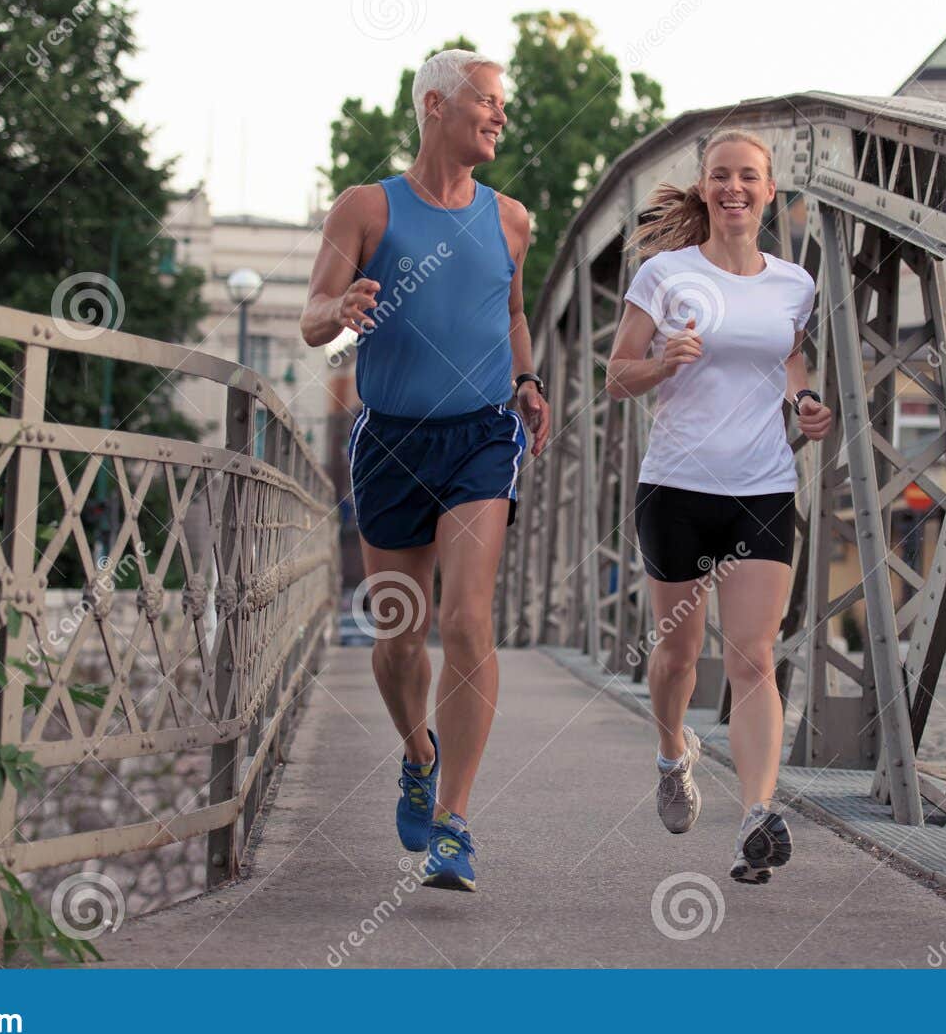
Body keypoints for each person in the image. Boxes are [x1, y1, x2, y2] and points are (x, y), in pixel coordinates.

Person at [300, 49, 551, 892]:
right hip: (391, 441)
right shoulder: (368, 207)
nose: (500, 117)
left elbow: (512, 312)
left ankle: (454, 821)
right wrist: (338, 308)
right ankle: (417, 753)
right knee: (398, 638)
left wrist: (527, 380)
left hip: (482, 435)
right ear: (436, 105)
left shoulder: (510, 218)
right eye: (488, 102)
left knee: (468, 620)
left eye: (502, 106)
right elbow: (308, 318)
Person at [605, 128, 833, 884]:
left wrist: (803, 399)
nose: (734, 188)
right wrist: (660, 360)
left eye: (749, 177)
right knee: (676, 656)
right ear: (704, 189)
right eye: (720, 177)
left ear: (771, 192)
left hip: (762, 488)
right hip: (675, 487)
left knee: (753, 657)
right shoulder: (664, 274)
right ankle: (673, 754)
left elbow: (787, 356)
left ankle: (756, 818)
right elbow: (616, 376)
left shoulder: (793, 283)